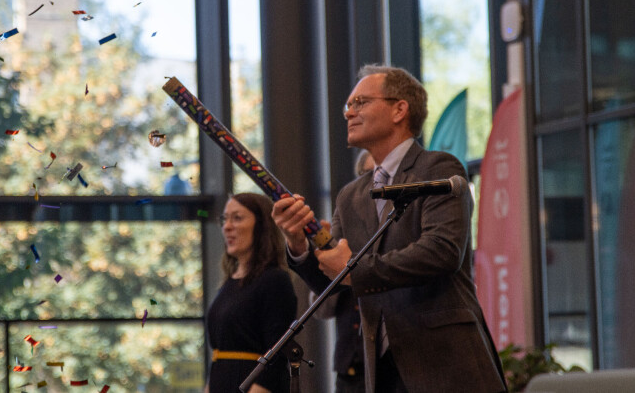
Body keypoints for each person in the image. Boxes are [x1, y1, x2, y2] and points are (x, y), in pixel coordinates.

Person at [272, 65, 506, 393]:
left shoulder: (439, 167)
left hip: (444, 362)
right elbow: (334, 282)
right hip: (380, 371)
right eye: (347, 106)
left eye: (360, 103)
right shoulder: (351, 195)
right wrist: (297, 243)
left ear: (399, 109)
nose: (348, 113)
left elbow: (441, 252)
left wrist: (354, 269)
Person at [206, 193, 298, 393]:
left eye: (237, 218)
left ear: (261, 226)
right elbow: (219, 354)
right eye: (225, 219)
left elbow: (277, 354)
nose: (227, 226)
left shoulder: (274, 280)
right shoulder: (230, 282)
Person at [309, 149, 374, 393]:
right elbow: (321, 310)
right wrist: (331, 261)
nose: (373, 183)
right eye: (366, 175)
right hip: (350, 370)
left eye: (378, 174)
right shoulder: (345, 233)